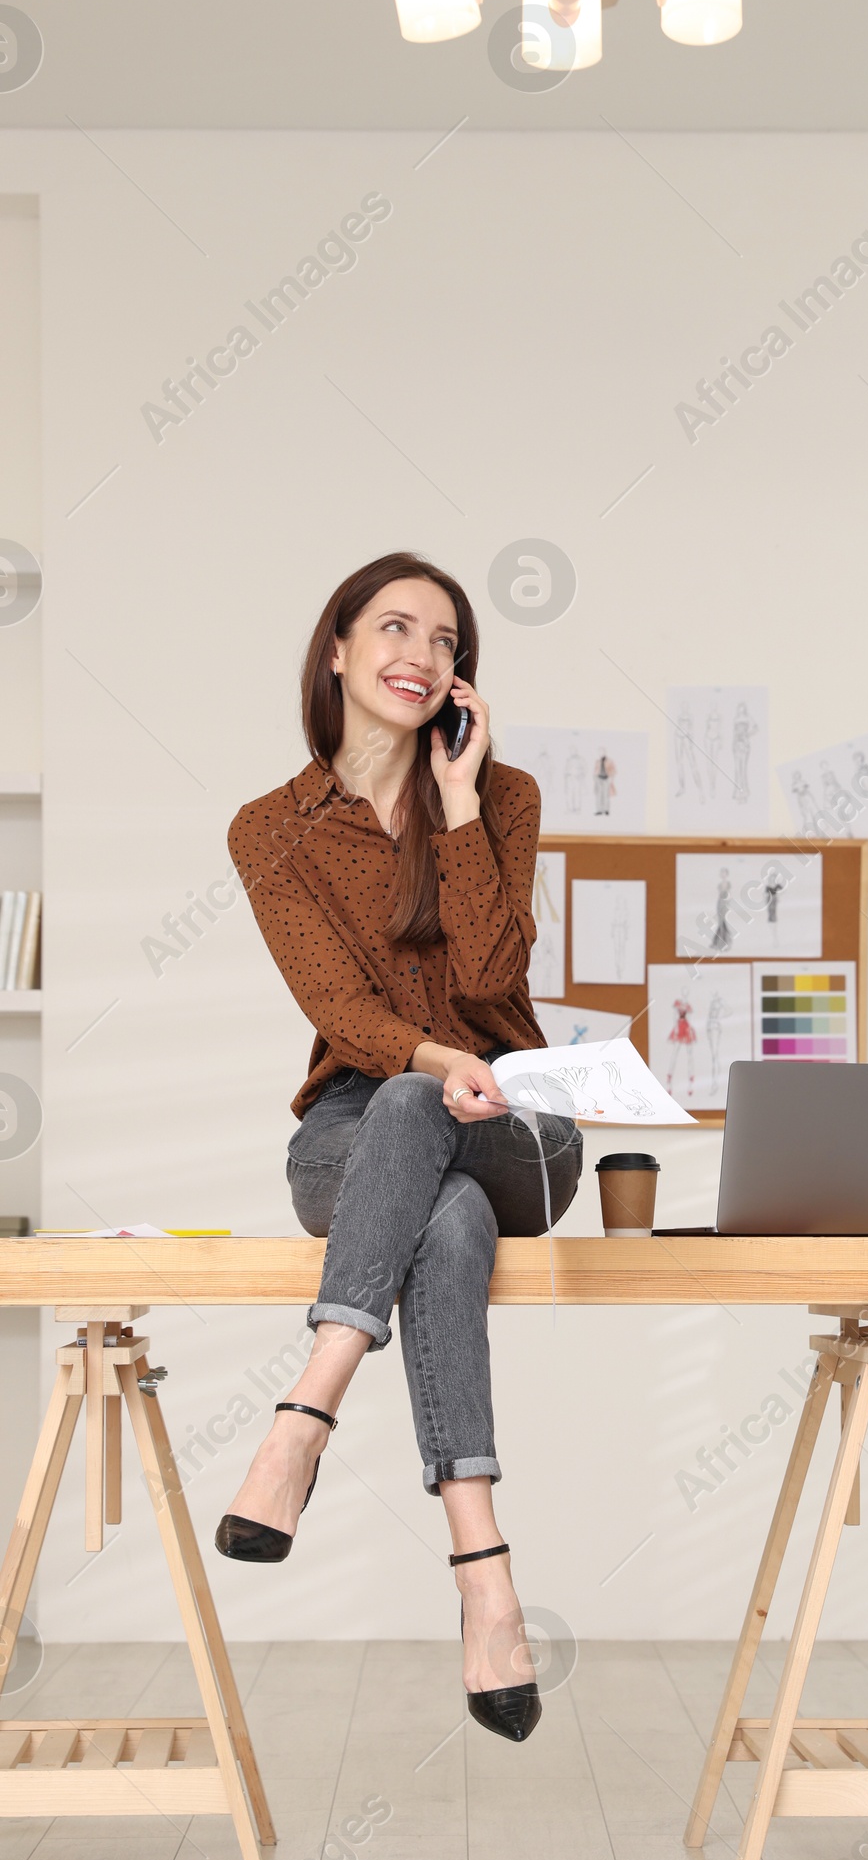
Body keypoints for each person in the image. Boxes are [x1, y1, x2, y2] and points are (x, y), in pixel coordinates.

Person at [217, 552, 581, 1745]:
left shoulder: (505, 795)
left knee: (441, 1136)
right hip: (357, 1129)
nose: (421, 653)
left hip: (518, 1130)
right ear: (337, 647)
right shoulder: (271, 829)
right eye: (394, 626)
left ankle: (302, 1414)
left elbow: (491, 979)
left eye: (445, 640)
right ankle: (487, 1580)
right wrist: (429, 1067)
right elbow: (343, 1012)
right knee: (440, 1197)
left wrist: (464, 804)